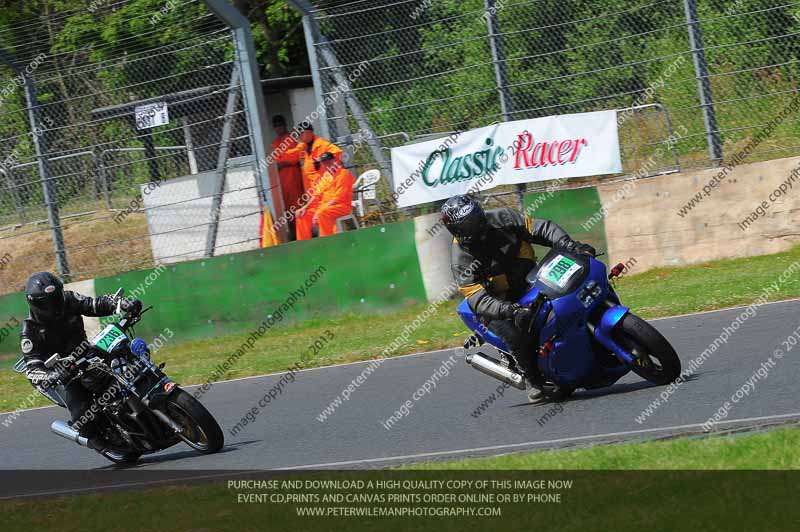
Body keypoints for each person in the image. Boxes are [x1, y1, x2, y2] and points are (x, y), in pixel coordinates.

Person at [441, 195, 596, 404]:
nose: (477, 224)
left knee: (572, 291)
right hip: (498, 303)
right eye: (469, 223)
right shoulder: (461, 258)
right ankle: (534, 380)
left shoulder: (501, 217)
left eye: (477, 216)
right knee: (515, 335)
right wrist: (510, 311)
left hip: (530, 280)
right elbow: (477, 298)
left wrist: (570, 245)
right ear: (457, 229)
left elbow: (541, 228)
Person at [20, 271, 142, 450]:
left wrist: (121, 303)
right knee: (83, 414)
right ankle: (98, 441)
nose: (54, 304)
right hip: (65, 371)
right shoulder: (30, 330)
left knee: (126, 355)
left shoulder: (69, 299)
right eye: (48, 302)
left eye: (56, 297)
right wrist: (54, 373)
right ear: (36, 304)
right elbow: (31, 368)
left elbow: (94, 304)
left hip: (89, 352)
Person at [294, 123, 344, 240]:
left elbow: (338, 154)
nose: (299, 136)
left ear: (309, 132)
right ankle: (303, 247)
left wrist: (322, 162)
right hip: (314, 197)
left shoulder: (322, 144)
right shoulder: (304, 148)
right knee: (301, 216)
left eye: (300, 133)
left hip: (327, 197)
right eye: (297, 134)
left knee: (323, 216)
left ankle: (329, 245)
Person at [295, 152, 355, 238]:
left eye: (329, 162)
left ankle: (327, 241)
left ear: (335, 161)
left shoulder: (344, 174)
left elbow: (337, 198)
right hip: (323, 207)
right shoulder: (326, 176)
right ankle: (303, 245)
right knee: (302, 215)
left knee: (322, 213)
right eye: (325, 163)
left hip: (341, 206)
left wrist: (320, 210)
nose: (327, 166)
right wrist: (304, 207)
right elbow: (316, 195)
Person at [270, 115, 304, 240]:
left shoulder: (291, 139)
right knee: (287, 208)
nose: (278, 128)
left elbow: (295, 159)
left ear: (285, 125)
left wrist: (282, 163)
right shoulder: (275, 143)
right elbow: (274, 162)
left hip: (293, 176)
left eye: (280, 125)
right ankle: (294, 234)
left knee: (297, 206)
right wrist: (282, 162)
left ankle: (302, 233)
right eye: (276, 126)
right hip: (282, 181)